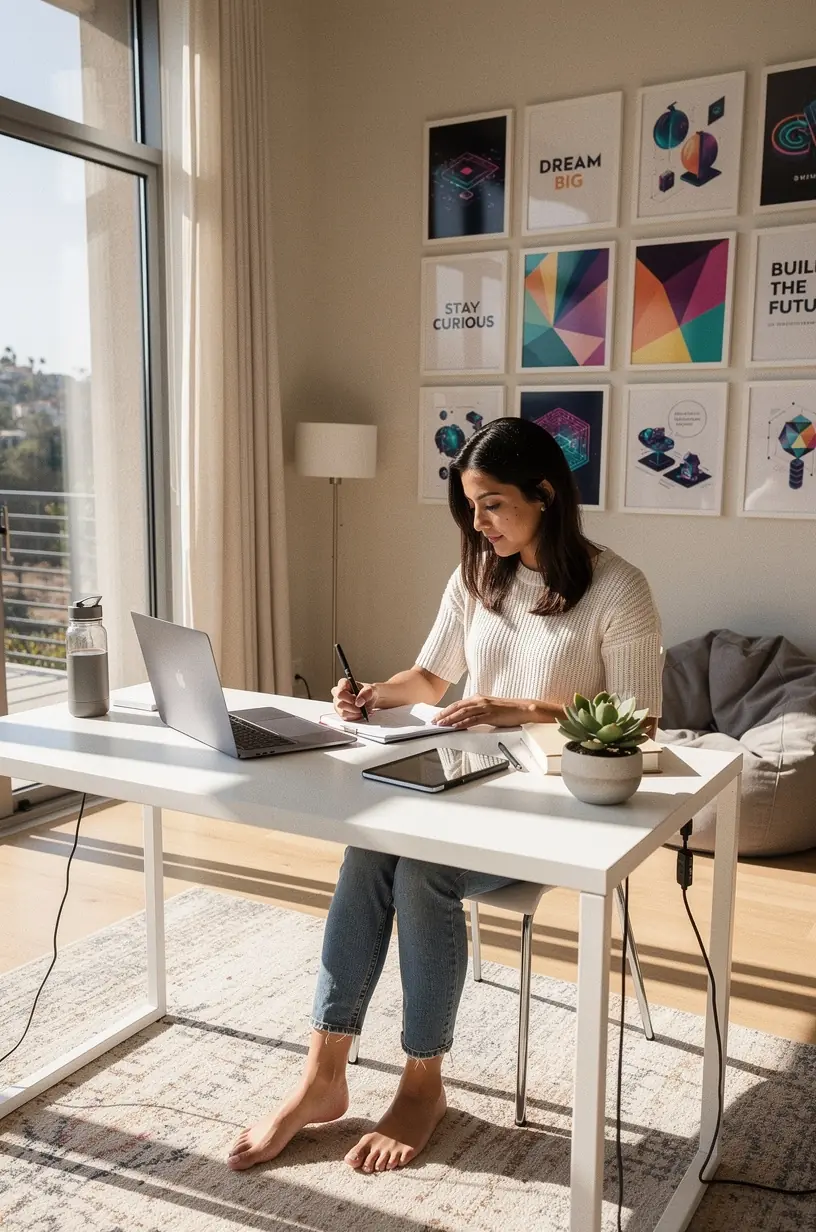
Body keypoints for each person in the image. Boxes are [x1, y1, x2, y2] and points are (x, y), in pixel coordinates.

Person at [228, 417, 663, 1175]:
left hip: (555, 806)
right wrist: (372, 694)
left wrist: (519, 708)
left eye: (492, 504)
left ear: (544, 494)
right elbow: (430, 680)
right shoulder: (477, 576)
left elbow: (641, 719)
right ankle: (323, 1074)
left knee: (424, 871)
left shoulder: (619, 588)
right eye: (469, 505)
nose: (478, 521)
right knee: (371, 850)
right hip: (466, 780)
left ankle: (422, 1084)